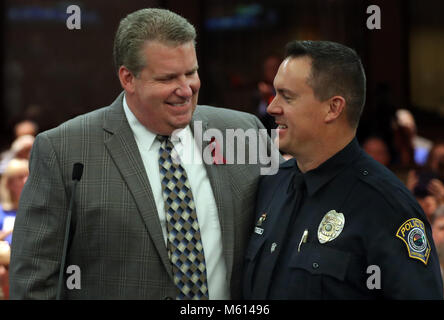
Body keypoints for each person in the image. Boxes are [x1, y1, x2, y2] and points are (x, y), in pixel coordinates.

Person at [10, 8, 277, 300]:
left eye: (191, 72)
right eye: (168, 78)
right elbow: (34, 281)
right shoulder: (63, 150)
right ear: (128, 78)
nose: (186, 89)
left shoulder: (240, 132)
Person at [243, 40, 443, 299]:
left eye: (287, 97)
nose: (272, 107)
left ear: (333, 108)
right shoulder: (272, 183)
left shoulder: (386, 206)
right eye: (275, 94)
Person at [0, 158, 29, 300]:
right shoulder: (2, 212)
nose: (26, 180)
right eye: (20, 177)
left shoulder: (36, 210)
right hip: (8, 262)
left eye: (28, 175)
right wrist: (9, 231)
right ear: (10, 184)